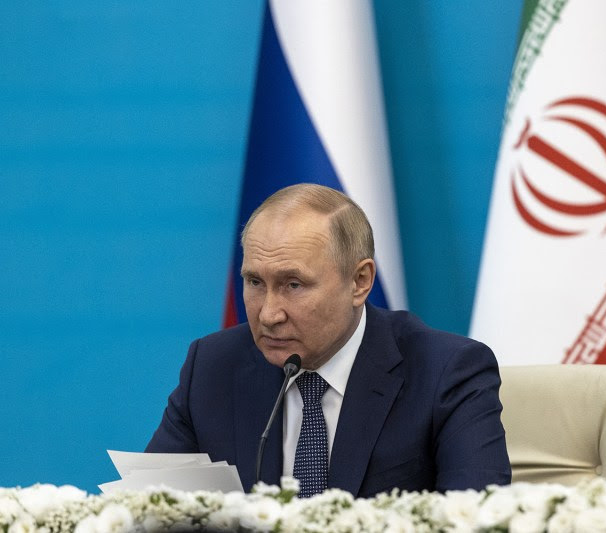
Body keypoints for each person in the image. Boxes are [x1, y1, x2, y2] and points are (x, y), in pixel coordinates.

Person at [146, 183, 511, 496]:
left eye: (294, 285)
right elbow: (150, 510)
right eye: (255, 282)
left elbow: (478, 520)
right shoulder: (212, 366)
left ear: (360, 281)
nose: (269, 314)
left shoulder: (446, 372)